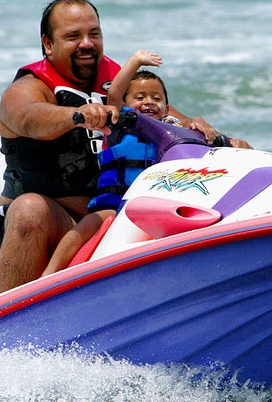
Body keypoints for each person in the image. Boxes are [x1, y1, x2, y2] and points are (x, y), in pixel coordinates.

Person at [0, 0, 249, 292]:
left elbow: (173, 126)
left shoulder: (122, 87)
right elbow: (28, 118)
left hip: (114, 215)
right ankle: (14, 318)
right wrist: (77, 116)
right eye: (73, 36)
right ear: (48, 44)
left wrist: (222, 140)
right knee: (30, 208)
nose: (87, 43)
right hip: (46, 224)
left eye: (94, 34)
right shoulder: (27, 89)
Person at [42, 50, 250, 277]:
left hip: (155, 207)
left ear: (167, 108)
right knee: (91, 223)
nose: (148, 102)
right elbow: (114, 94)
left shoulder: (174, 135)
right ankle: (49, 274)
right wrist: (135, 62)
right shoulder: (118, 126)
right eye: (139, 98)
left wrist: (228, 141)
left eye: (156, 98)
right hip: (115, 205)